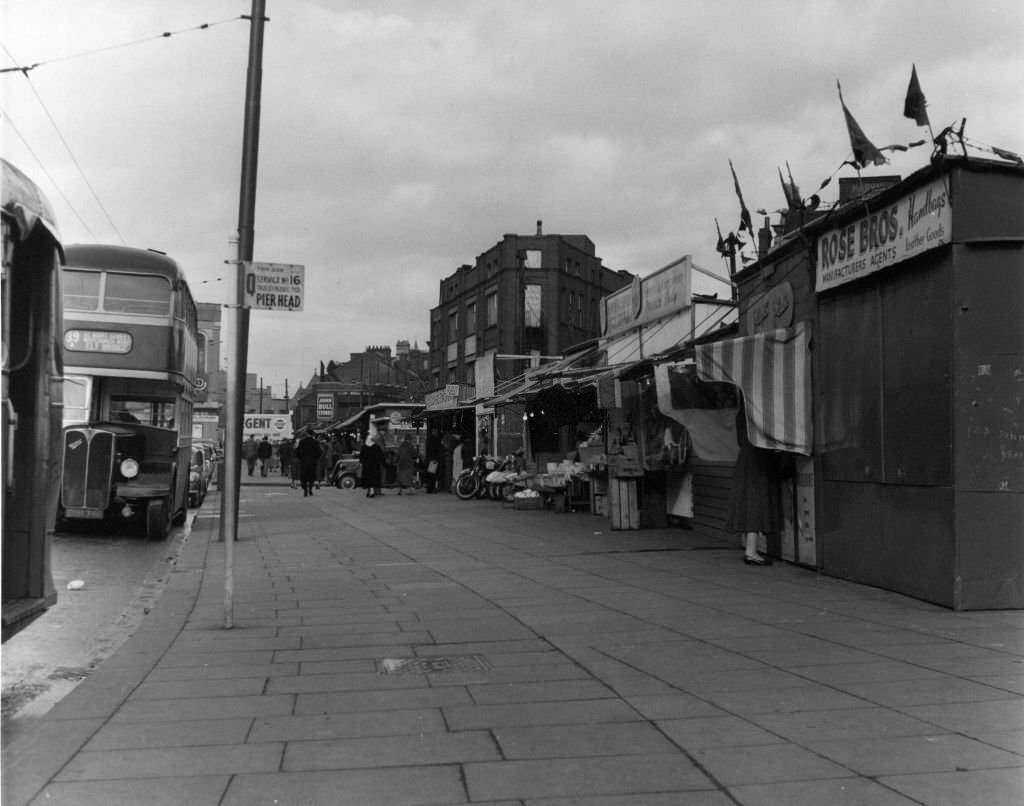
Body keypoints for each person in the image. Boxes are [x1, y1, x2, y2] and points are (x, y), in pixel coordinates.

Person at [725, 397, 780, 565]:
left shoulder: (742, 413)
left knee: (751, 503)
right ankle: (751, 551)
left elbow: (740, 440)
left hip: (746, 459)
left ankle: (751, 548)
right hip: (757, 460)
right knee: (757, 503)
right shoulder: (760, 415)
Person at [295, 429, 322, 497]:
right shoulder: (315, 442)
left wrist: (300, 458)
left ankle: (305, 490)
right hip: (312, 462)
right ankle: (310, 489)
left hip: (304, 462)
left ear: (307, 434)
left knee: (304, 476)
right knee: (311, 477)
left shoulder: (302, 441)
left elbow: (297, 451)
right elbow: (319, 452)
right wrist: (315, 458)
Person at [359, 433, 386, 497]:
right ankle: (371, 491)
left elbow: (361, 457)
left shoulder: (364, 447)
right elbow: (381, 456)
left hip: (367, 467)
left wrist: (362, 462)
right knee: (373, 479)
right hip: (375, 467)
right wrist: (384, 464)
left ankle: (370, 491)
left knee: (368, 479)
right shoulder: (376, 447)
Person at [424, 428, 442, 493]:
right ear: (433, 432)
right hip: (433, 459)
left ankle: (430, 488)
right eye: (436, 432)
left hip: (430, 459)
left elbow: (427, 450)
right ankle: (431, 489)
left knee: (430, 474)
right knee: (432, 475)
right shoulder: (435, 440)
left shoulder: (428, 440)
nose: (437, 433)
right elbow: (435, 450)